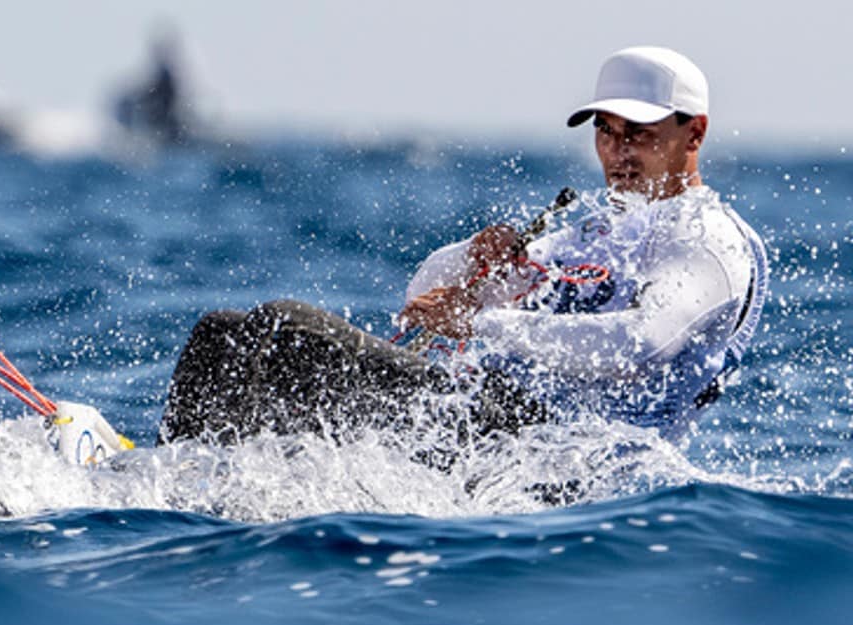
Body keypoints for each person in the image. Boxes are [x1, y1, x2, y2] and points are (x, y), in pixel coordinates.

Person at [158, 46, 767, 448]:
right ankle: (189, 483)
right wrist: (469, 262)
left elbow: (642, 344)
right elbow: (420, 298)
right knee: (225, 333)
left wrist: (483, 325)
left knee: (282, 329)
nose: (619, 153)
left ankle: (190, 495)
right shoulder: (596, 232)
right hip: (494, 427)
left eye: (640, 134)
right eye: (607, 134)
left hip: (570, 461)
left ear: (696, 133)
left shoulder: (707, 241)